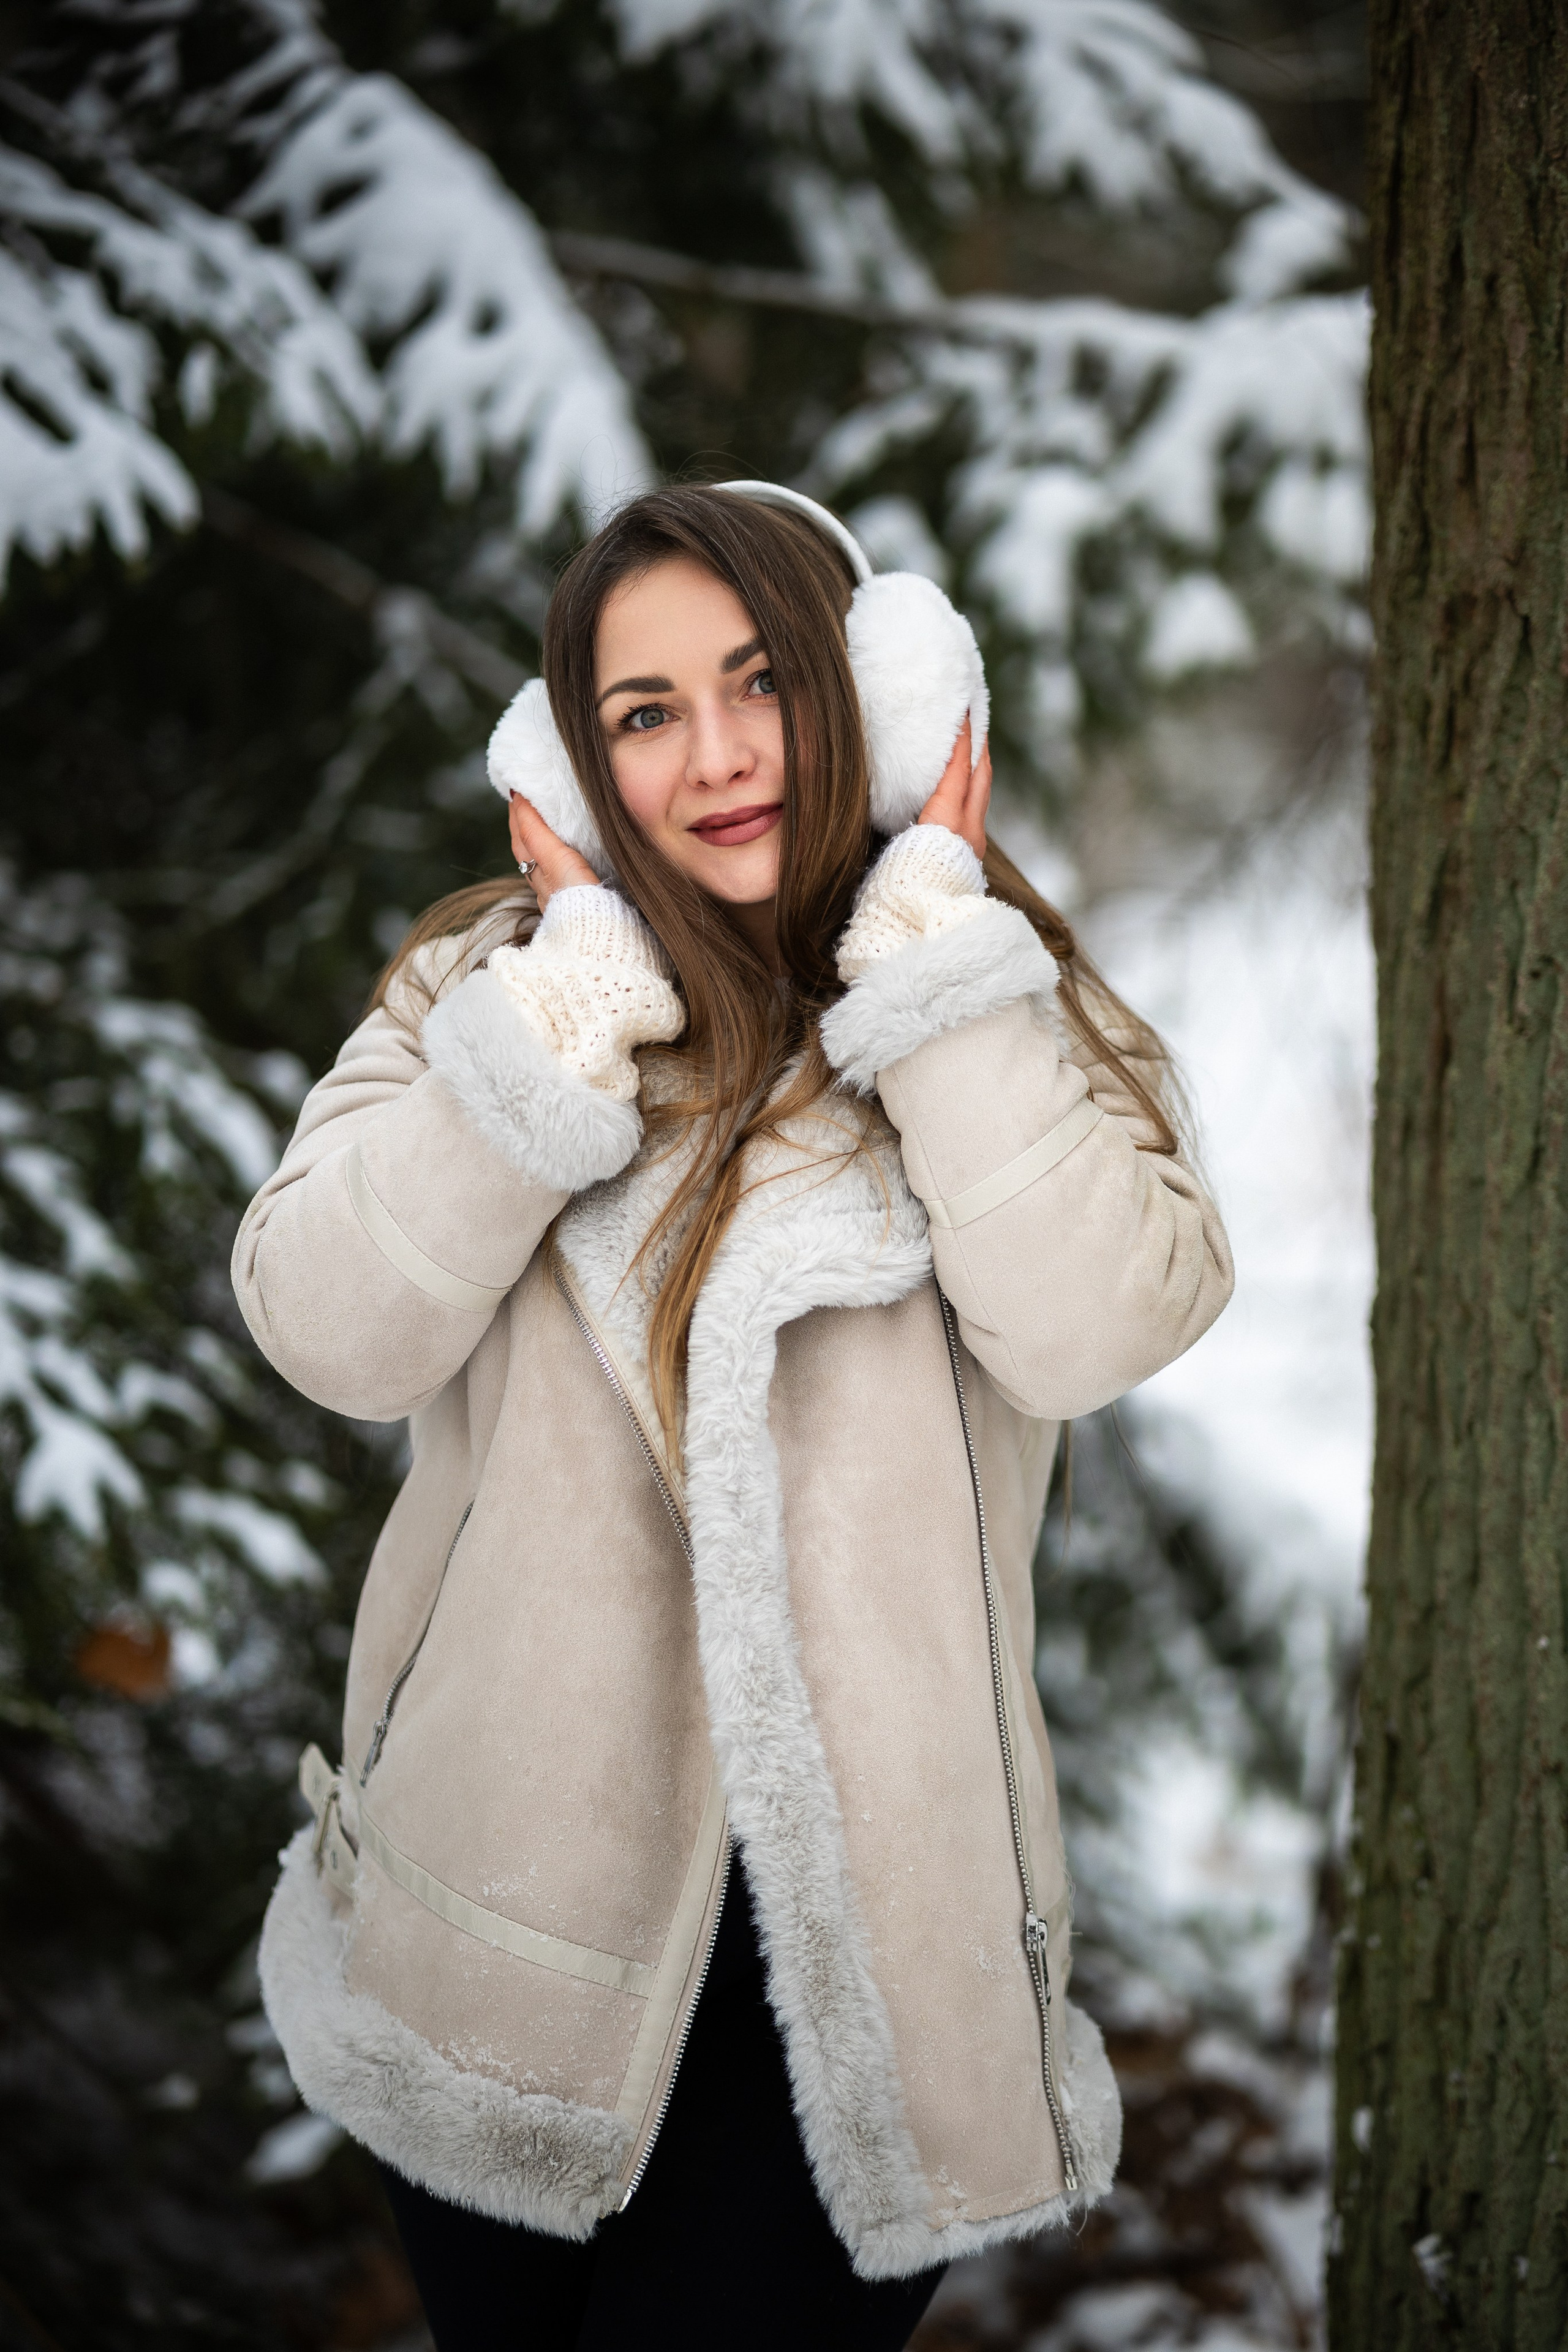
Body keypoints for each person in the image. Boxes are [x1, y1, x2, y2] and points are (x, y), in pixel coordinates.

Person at [233, 482, 1233, 2350]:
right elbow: (328, 1330)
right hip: (504, 1953)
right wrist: (566, 1014)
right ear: (573, 757)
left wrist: (933, 973)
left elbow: (1095, 1324)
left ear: (886, 691)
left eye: (764, 680)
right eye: (645, 712)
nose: (718, 756)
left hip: (857, 1982)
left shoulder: (1014, 1013)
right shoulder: (485, 994)